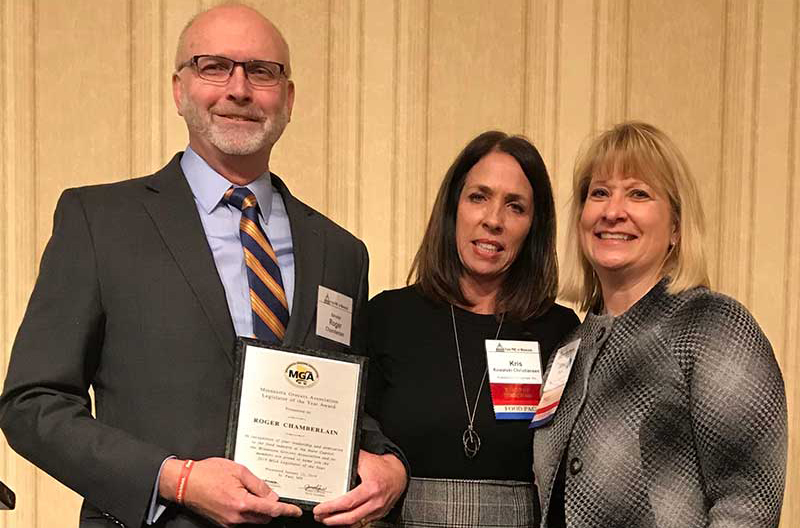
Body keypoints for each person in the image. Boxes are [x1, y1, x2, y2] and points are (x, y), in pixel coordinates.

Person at [0, 4, 407, 527]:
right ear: (179, 90)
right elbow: (33, 404)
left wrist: (392, 469)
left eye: (262, 71)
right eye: (214, 66)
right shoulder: (100, 222)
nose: (239, 89)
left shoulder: (341, 252)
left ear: (288, 99)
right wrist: (178, 480)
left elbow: (348, 403)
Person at [532, 121, 787, 528]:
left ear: (676, 228)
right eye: (599, 193)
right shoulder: (571, 347)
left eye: (638, 193)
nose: (613, 211)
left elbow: (747, 503)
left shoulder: (714, 327)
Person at [367, 131, 579, 527]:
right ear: (454, 208)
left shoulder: (560, 331)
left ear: (534, 226)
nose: (493, 220)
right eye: (478, 197)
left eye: (515, 207)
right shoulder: (387, 317)